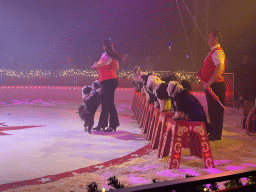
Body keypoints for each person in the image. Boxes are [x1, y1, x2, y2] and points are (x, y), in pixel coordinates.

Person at [195, 31, 226, 141]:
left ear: (216, 39)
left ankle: (216, 134)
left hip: (216, 86)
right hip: (212, 85)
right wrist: (202, 72)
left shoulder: (217, 52)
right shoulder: (212, 52)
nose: (207, 39)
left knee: (216, 111)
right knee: (212, 111)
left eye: (209, 37)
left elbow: (219, 68)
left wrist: (209, 82)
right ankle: (214, 133)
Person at [91, 38, 126, 132]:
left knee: (109, 103)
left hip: (108, 81)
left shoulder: (106, 55)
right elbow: (116, 68)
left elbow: (102, 62)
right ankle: (102, 124)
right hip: (110, 80)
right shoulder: (112, 56)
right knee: (105, 103)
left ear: (104, 47)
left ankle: (113, 125)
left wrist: (96, 64)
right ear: (112, 45)